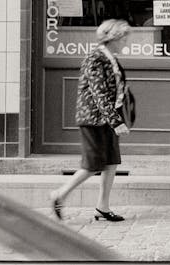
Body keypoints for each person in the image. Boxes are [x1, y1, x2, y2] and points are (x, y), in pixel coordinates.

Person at [49, 19, 131, 222]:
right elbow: (99, 93)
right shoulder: (95, 58)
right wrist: (116, 122)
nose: (126, 42)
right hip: (94, 119)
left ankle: (102, 207)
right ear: (114, 38)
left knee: (111, 162)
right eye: (124, 38)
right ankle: (60, 194)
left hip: (107, 118)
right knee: (93, 164)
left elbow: (114, 88)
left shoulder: (110, 57)